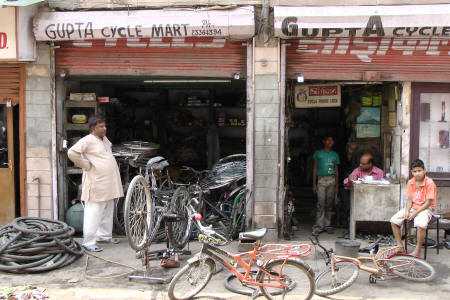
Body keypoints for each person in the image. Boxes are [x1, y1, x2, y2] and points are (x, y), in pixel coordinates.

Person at [68, 116, 124, 252]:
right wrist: (86, 165)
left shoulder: (104, 140)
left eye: (105, 126)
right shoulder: (87, 140)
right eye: (101, 126)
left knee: (107, 209)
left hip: (108, 183)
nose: (104, 128)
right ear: (93, 128)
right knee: (94, 211)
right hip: (96, 182)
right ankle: (88, 242)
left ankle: (104, 236)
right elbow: (72, 153)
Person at [390, 159, 437, 258]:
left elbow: (428, 203)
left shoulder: (430, 183)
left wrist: (415, 214)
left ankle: (418, 250)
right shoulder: (411, 182)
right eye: (415, 171)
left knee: (421, 224)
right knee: (393, 221)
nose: (417, 173)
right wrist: (407, 211)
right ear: (412, 172)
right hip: (413, 208)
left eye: (419, 171)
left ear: (424, 170)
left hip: (426, 209)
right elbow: (409, 200)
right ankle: (400, 246)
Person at [312, 135, 340, 234]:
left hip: (332, 180)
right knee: (321, 203)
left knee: (329, 204)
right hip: (321, 180)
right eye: (328, 140)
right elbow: (315, 168)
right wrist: (314, 184)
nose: (330, 142)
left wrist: (337, 186)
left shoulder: (335, 155)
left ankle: (327, 225)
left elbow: (336, 171)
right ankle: (319, 226)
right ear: (324, 141)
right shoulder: (318, 154)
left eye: (332, 140)